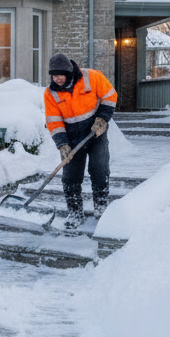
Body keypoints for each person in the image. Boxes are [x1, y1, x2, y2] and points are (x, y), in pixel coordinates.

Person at [44, 52, 117, 230]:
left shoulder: (91, 77)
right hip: (71, 136)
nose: (58, 79)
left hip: (95, 132)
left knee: (99, 168)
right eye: (54, 75)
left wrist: (102, 119)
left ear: (69, 72)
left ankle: (101, 206)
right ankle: (75, 212)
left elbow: (110, 95)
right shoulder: (50, 93)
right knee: (70, 176)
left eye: (60, 75)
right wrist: (62, 144)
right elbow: (54, 121)